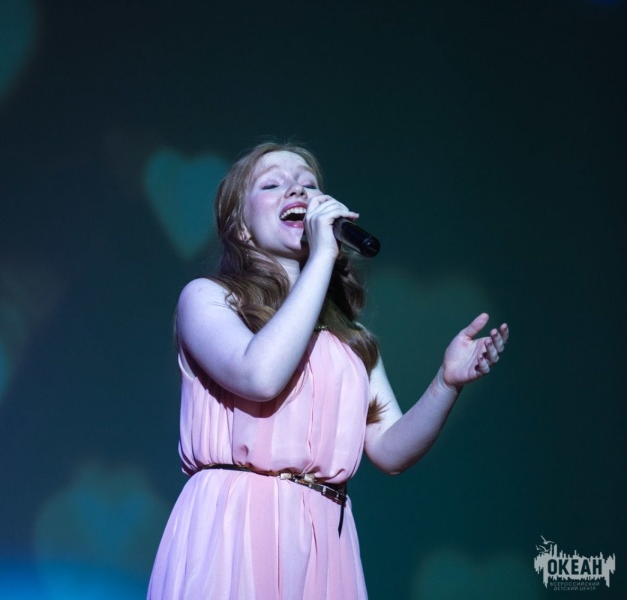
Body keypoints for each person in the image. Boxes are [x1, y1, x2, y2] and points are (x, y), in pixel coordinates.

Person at [146, 142, 510, 599]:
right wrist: (321, 257)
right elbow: (259, 377)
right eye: (272, 184)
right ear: (240, 227)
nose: (296, 190)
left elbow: (390, 451)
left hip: (324, 536)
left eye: (308, 184)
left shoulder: (349, 339)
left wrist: (446, 382)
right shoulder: (209, 299)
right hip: (235, 526)